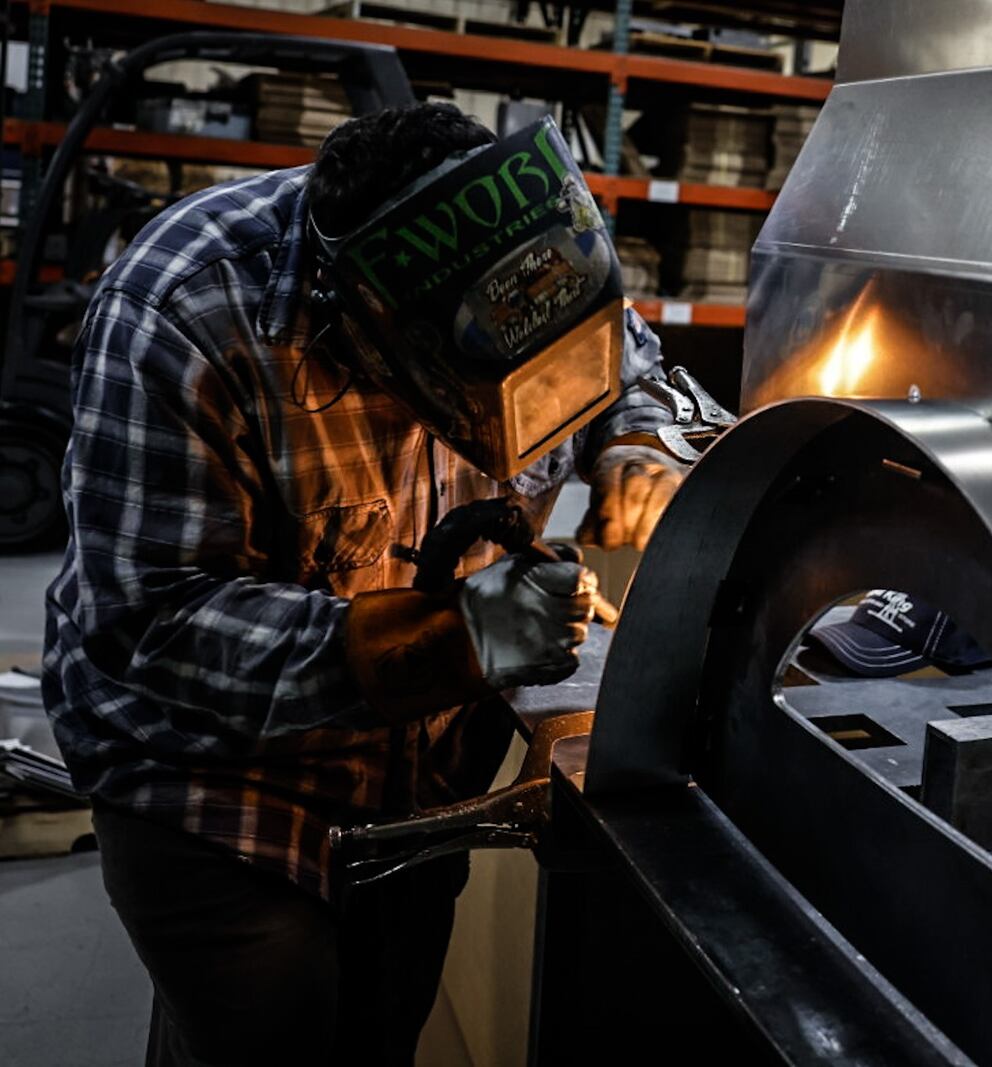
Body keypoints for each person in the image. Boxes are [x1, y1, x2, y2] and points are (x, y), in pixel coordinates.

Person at [41, 103, 688, 1065]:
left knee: (378, 1034)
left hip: (419, 782)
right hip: (218, 792)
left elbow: (637, 371)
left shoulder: (526, 247)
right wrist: (450, 638)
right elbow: (150, 623)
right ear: (368, 324)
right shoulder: (187, 307)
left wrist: (640, 447)